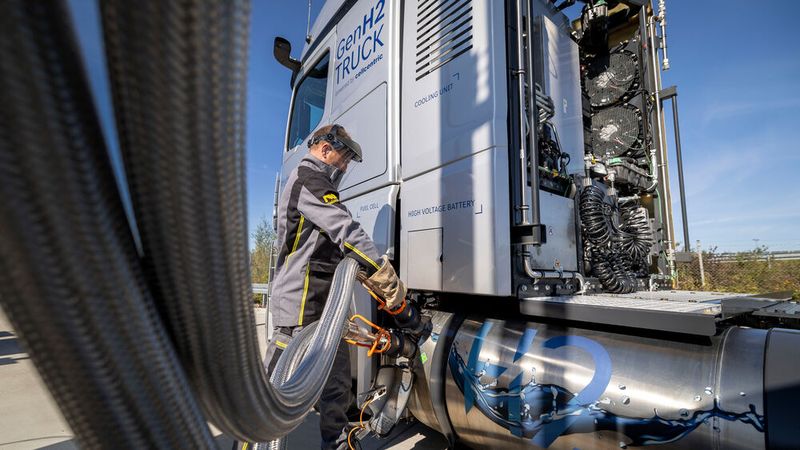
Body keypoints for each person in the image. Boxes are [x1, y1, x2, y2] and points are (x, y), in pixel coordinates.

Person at [266, 124, 405, 449]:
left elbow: (334, 245)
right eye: (341, 160)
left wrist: (359, 272)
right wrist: (385, 276)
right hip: (298, 310)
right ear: (325, 149)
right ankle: (252, 442)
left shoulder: (318, 186)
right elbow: (346, 231)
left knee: (337, 387)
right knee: (274, 393)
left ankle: (337, 444)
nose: (343, 168)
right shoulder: (308, 180)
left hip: (327, 311)